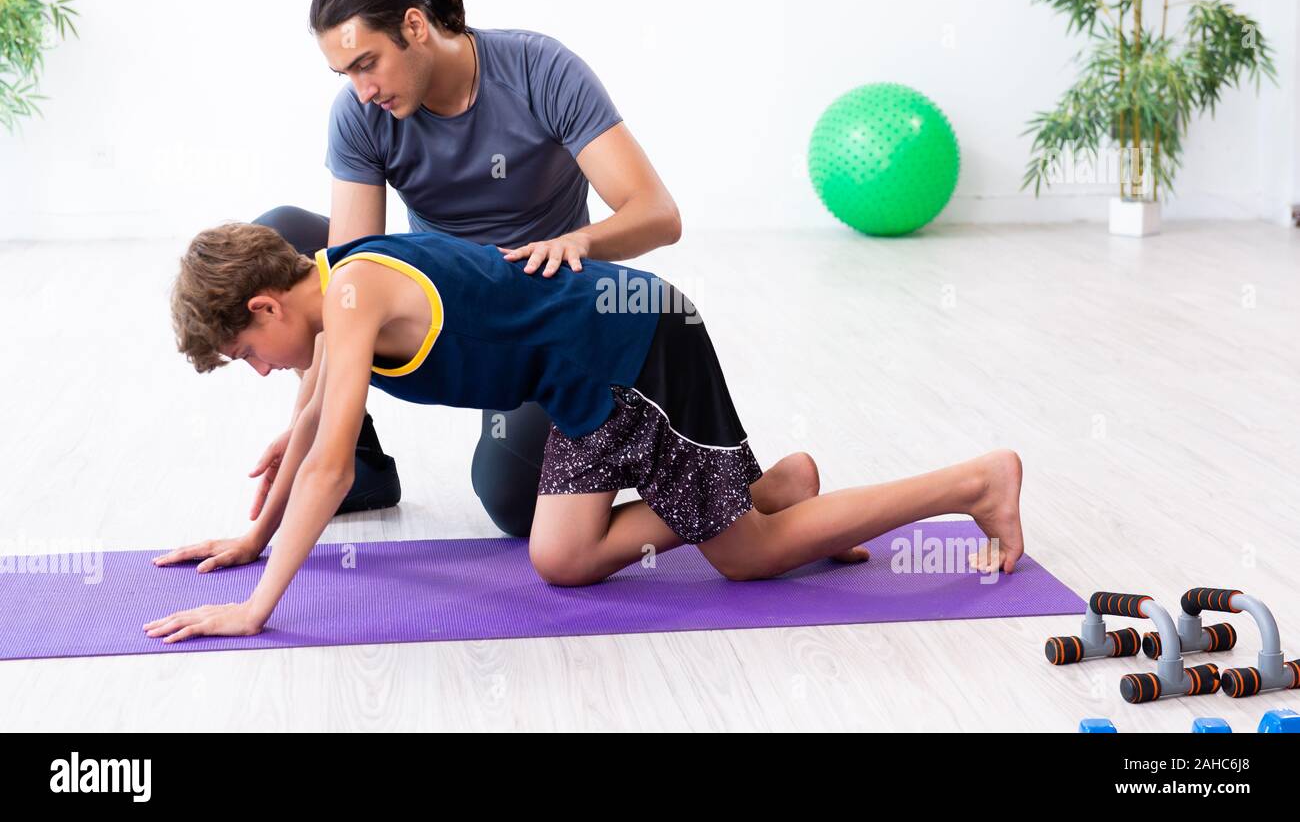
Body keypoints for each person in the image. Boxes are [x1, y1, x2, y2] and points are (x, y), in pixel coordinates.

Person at [146, 223, 1025, 643]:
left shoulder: (349, 295)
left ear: (266, 305)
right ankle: (769, 485)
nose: (259, 368)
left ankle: (973, 482)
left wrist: (258, 611)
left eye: (245, 352)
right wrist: (253, 538)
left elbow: (331, 470)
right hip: (578, 380)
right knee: (562, 559)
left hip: (636, 346)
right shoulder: (333, 278)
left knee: (748, 557)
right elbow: (308, 425)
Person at [254, 0, 681, 532]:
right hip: (435, 300)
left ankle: (703, 489)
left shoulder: (539, 70)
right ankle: (359, 461)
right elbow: (342, 285)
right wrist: (313, 431)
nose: (362, 90)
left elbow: (657, 213)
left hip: (528, 318)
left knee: (513, 502)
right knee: (275, 240)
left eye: (367, 64)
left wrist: (579, 241)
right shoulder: (361, 114)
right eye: (346, 74)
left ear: (414, 25)